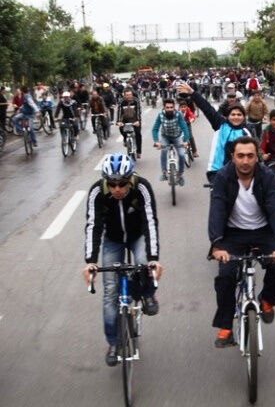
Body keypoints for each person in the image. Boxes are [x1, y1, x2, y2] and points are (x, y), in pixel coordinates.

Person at [82, 154, 164, 366]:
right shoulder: (97, 192)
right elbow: (93, 226)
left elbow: (150, 221)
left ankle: (148, 295)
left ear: (131, 178)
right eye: (112, 184)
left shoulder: (142, 188)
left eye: (122, 184)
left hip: (137, 236)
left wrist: (154, 258)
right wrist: (90, 261)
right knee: (110, 292)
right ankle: (113, 342)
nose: (117, 189)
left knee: (144, 265)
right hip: (113, 240)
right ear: (106, 181)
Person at [209, 137, 275, 347]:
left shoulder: (267, 176)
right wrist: (216, 245)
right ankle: (226, 326)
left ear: (257, 157)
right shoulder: (223, 177)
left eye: (250, 156)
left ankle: (267, 301)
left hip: (263, 231)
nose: (245, 161)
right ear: (233, 157)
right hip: (233, 234)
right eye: (240, 156)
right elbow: (217, 210)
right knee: (226, 275)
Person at [177, 83, 252, 184]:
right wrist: (192, 93)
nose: (236, 117)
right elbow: (207, 107)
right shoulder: (221, 124)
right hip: (217, 173)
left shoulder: (247, 130)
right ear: (228, 116)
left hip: (242, 174)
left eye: (239, 114)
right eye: (233, 114)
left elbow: (254, 153)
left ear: (243, 117)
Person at [152, 99, 190, 186]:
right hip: (165, 137)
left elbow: (184, 127)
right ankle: (164, 173)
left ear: (174, 107)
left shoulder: (178, 115)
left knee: (181, 154)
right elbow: (155, 129)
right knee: (164, 151)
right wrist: (156, 141)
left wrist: (186, 141)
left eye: (171, 107)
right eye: (167, 107)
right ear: (164, 107)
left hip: (177, 137)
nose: (169, 109)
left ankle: (180, 175)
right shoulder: (160, 115)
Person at [116, 88, 143, 159]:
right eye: (127, 95)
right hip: (125, 120)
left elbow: (138, 111)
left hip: (135, 119)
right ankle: (125, 138)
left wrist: (138, 121)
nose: (129, 96)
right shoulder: (121, 101)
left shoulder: (136, 100)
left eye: (130, 94)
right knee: (121, 129)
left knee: (138, 134)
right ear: (124, 95)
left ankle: (138, 151)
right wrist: (118, 121)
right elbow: (119, 111)